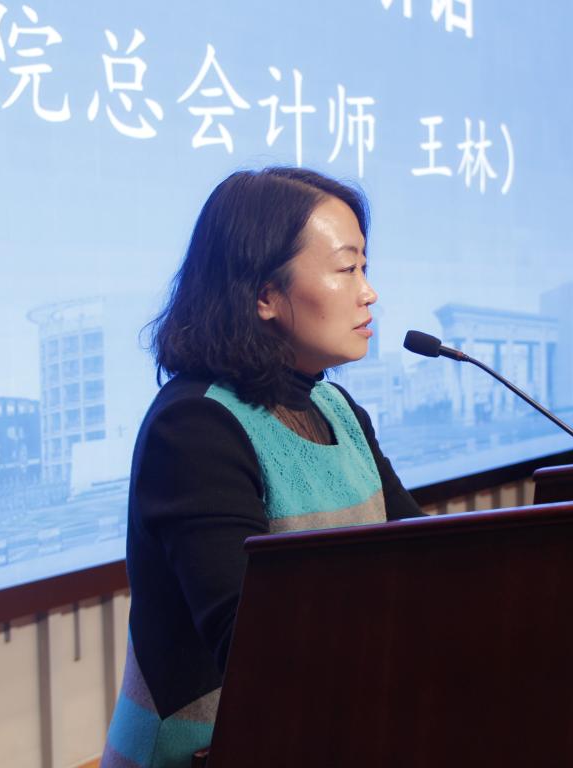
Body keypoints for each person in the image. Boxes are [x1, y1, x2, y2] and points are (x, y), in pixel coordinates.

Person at [101, 167, 423, 768]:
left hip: (328, 729)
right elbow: (252, 646)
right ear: (264, 295)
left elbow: (424, 557)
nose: (368, 292)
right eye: (346, 269)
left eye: (365, 267)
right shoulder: (194, 427)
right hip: (206, 750)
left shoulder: (335, 406)